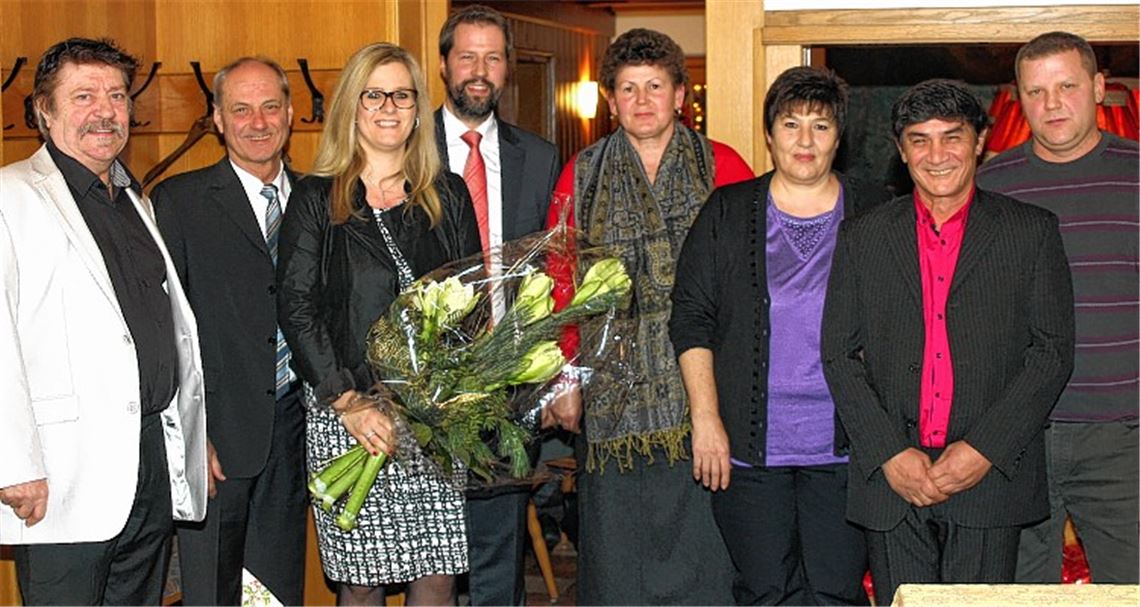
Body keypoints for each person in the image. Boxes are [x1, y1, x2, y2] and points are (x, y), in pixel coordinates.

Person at [821, 79, 1075, 605]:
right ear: (901, 150)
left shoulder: (1031, 232)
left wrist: (984, 450)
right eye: (919, 140)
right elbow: (838, 355)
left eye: (952, 137)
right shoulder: (863, 236)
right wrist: (890, 454)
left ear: (979, 142)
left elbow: (1051, 353)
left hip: (989, 478)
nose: (936, 156)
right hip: (892, 481)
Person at [545, 28, 753, 605]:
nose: (642, 100)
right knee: (619, 550)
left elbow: (751, 276)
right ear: (610, 101)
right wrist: (565, 377)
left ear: (680, 95)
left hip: (707, 385)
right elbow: (558, 281)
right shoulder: (580, 173)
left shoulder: (723, 166)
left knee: (704, 543)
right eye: (628, 88)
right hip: (610, 393)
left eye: (655, 86)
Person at [0, 37, 207, 604]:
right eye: (84, 96)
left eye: (117, 96)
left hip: (148, 465)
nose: (106, 111)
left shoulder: (133, 199)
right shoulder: (10, 196)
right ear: (44, 111)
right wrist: (13, 464)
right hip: (61, 476)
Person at [277, 42, 481, 606]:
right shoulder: (316, 198)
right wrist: (348, 401)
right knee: (362, 582)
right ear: (352, 106)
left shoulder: (448, 194)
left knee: (437, 576)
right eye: (374, 95)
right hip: (349, 414)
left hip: (432, 415)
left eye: (402, 95)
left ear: (418, 110)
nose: (389, 107)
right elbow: (297, 307)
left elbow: (472, 300)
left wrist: (450, 390)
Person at [671, 66, 879, 605]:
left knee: (837, 592)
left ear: (839, 137)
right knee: (766, 592)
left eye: (820, 126)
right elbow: (691, 317)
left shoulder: (876, 211)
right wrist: (706, 419)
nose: (805, 140)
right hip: (748, 448)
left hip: (847, 450)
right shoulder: (727, 211)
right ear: (769, 134)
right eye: (791, 124)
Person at [977, 31, 1139, 584]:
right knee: (1018, 593)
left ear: (1097, 87)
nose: (1052, 104)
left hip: (1124, 440)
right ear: (1019, 99)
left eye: (1067, 86)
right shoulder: (990, 187)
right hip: (1017, 439)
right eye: (1036, 91)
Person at [152, 56, 306, 605]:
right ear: (217, 118)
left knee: (277, 592)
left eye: (270, 107)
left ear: (290, 113)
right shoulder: (178, 201)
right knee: (214, 592)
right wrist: (191, 432)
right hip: (217, 437)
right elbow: (165, 328)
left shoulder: (321, 199)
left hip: (298, 434)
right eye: (241, 109)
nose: (257, 122)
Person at [433, 6, 561, 604]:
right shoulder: (403, 147)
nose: (479, 71)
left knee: (499, 551)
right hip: (423, 383)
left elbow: (553, 269)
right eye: (467, 57)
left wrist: (552, 372)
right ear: (444, 65)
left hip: (512, 379)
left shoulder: (539, 156)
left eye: (492, 57)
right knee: (431, 553)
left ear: (508, 67)